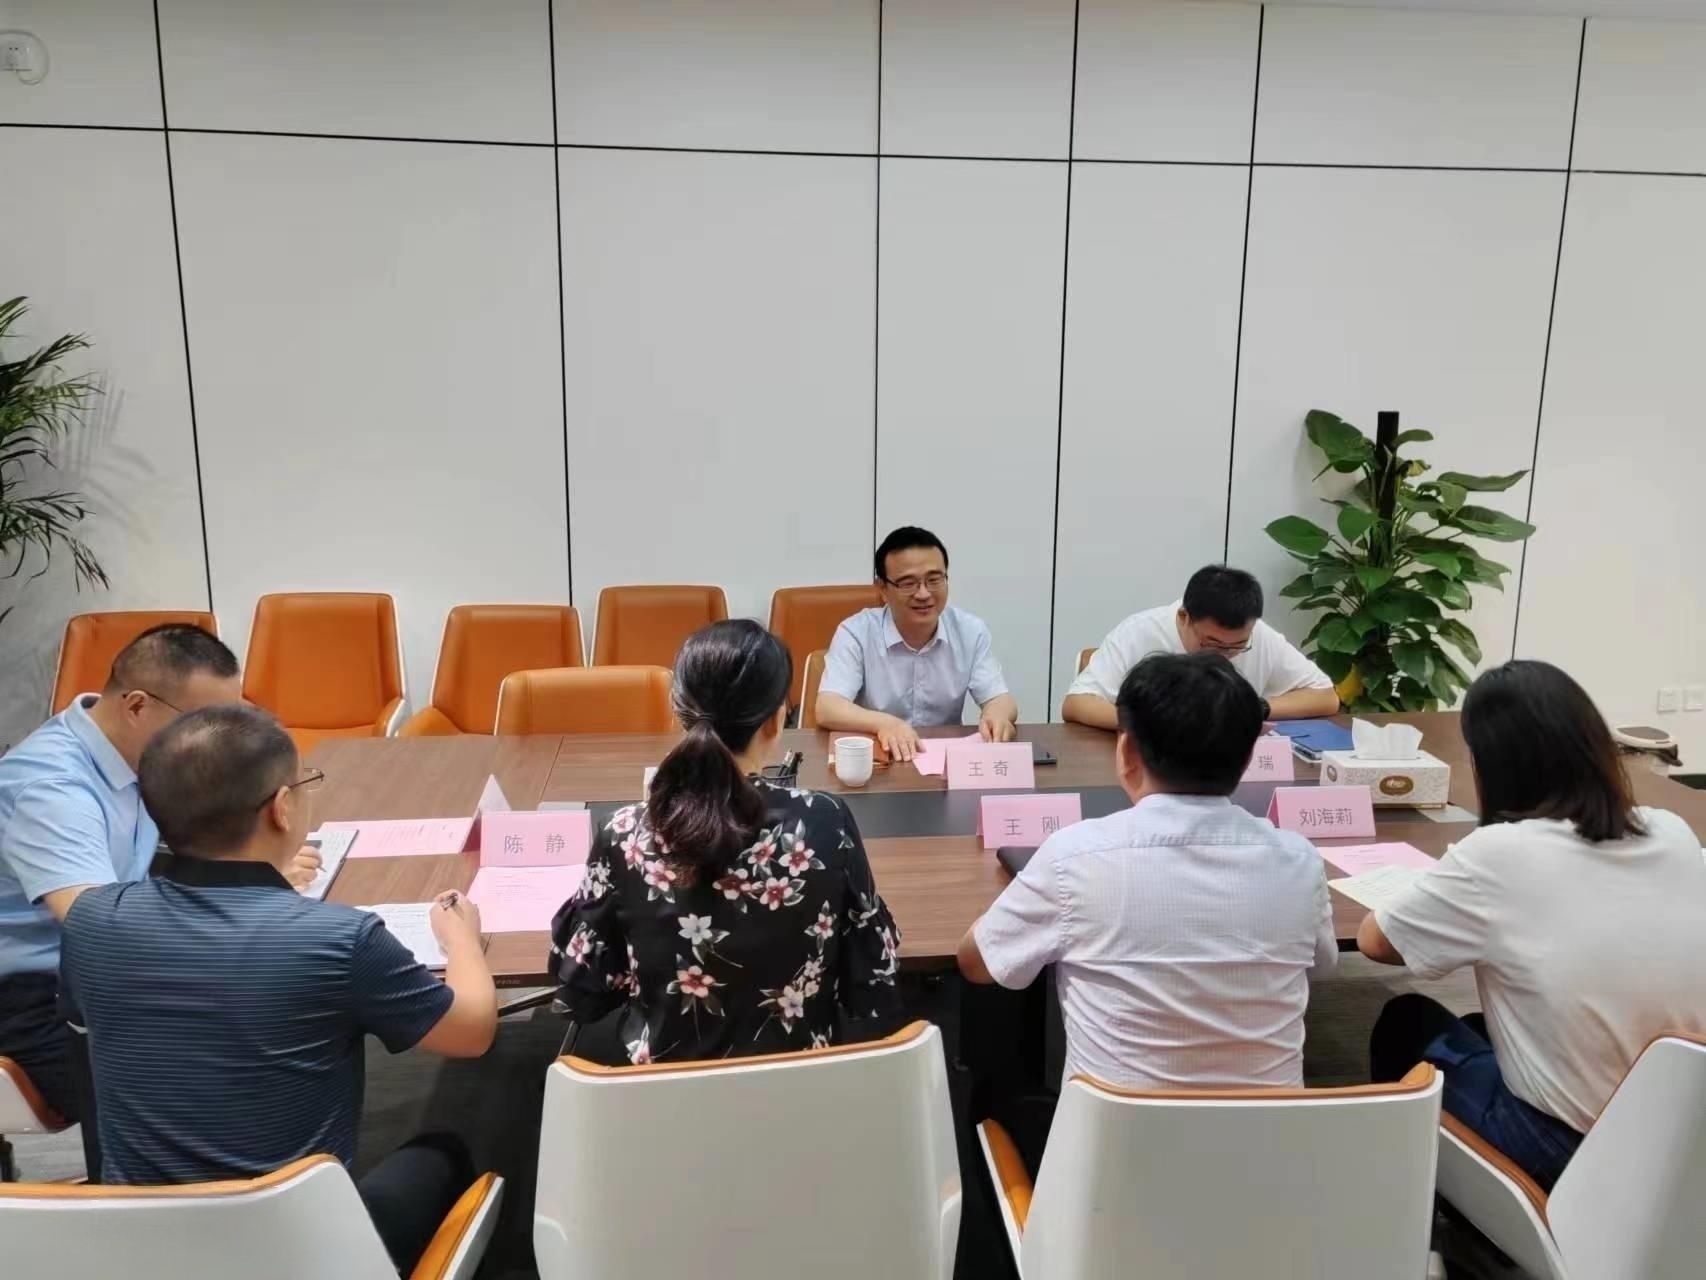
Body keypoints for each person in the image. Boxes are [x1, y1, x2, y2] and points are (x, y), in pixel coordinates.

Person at [58, 704, 496, 1272]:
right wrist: (461, 938)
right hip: (297, 1255)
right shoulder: (340, 939)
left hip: (141, 1250)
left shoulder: (92, 921)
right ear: (282, 808)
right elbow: (471, 1032)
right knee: (444, 1151)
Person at [958, 652, 1336, 1167]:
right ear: (1248, 757)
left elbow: (976, 963)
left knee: (1000, 1094)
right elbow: (1321, 965)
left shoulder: (1076, 857)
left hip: (1110, 1182)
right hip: (1271, 1172)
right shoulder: (1299, 860)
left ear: (1127, 750)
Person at [1359, 660, 1706, 1190]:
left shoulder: (1497, 855)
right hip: (1683, 1133)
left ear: (1491, 765)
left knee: (1407, 1023)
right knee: (1481, 1026)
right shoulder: (1671, 831)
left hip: (1569, 1150)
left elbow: (1375, 941)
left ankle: (1418, 1206)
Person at [0, 624, 311, 1169]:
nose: (218, 740)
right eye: (202, 722)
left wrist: (255, 867)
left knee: (266, 1027)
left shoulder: (135, 754)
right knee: (215, 1070)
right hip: (29, 998)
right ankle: (157, 1204)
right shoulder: (52, 788)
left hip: (90, 975)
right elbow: (99, 926)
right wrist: (243, 891)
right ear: (138, 706)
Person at [552, 619, 903, 1064]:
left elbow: (583, 987)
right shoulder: (826, 821)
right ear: (776, 720)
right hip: (802, 1088)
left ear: (678, 713)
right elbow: (876, 975)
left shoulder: (624, 833)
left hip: (661, 1095)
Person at [815, 525, 1018, 762]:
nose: (923, 594)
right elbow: (828, 707)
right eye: (908, 583)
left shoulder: (970, 631)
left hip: (944, 765)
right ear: (883, 589)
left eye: (934, 580)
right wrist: (884, 723)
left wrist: (997, 715)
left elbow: (1000, 699)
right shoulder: (856, 632)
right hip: (880, 761)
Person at [1062, 565, 1339, 730]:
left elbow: (1326, 697)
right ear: (1184, 617)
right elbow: (1077, 703)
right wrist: (1152, 724)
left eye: (1237, 646)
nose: (1224, 655)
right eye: (1212, 644)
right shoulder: (1140, 632)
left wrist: (1256, 709)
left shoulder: (1260, 636)